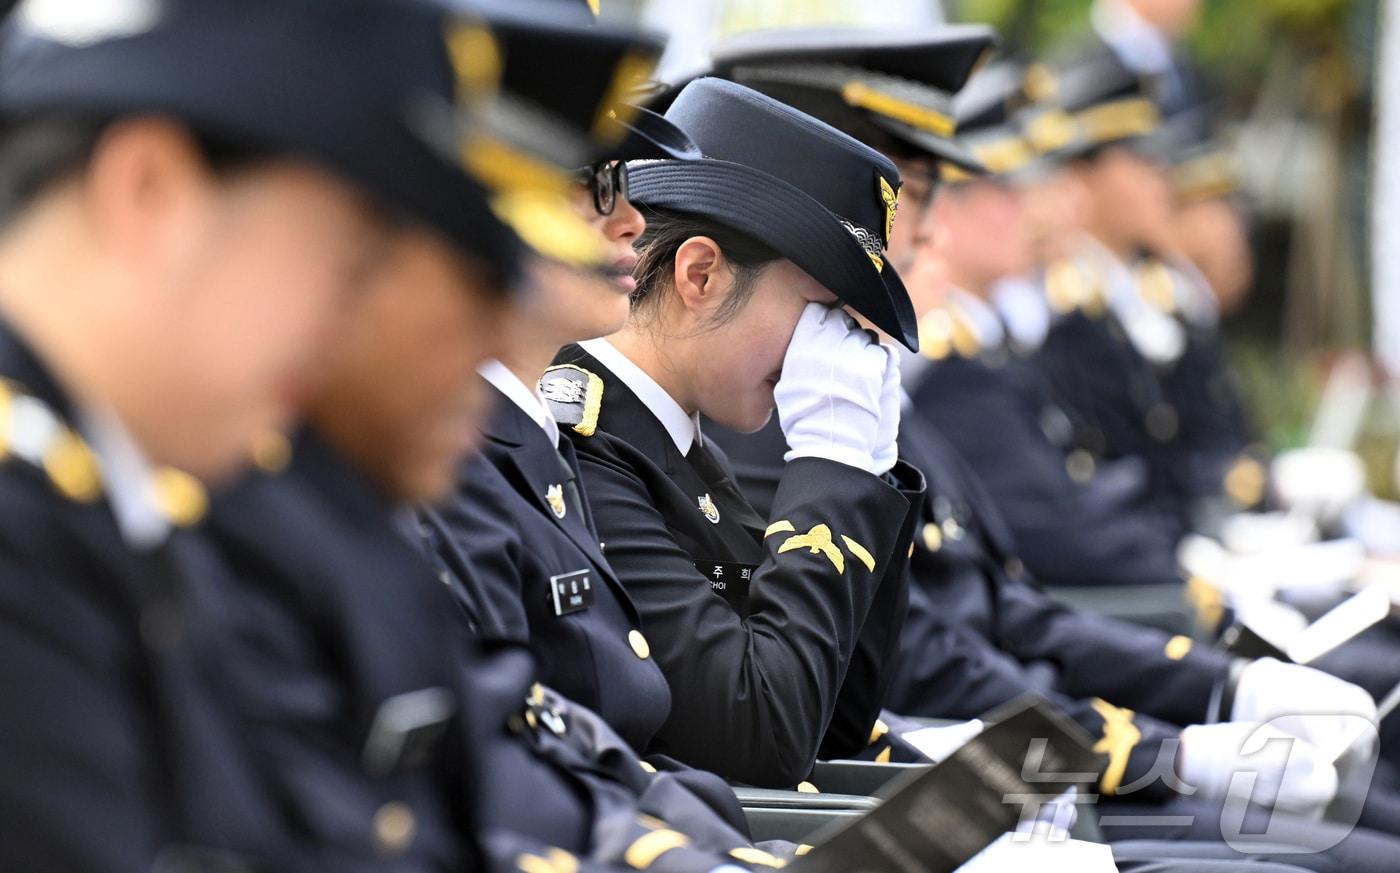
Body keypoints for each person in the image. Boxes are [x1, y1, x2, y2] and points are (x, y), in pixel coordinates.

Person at [0, 0, 522, 868]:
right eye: (349, 256)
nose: (340, 323)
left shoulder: (109, 516)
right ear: (150, 191)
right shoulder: (27, 550)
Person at [553, 77, 924, 789]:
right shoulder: (588, 451)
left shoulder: (685, 452)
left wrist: (866, 473)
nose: (833, 352)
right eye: (821, 314)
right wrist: (831, 464)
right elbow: (762, 735)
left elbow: (833, 720)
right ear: (701, 275)